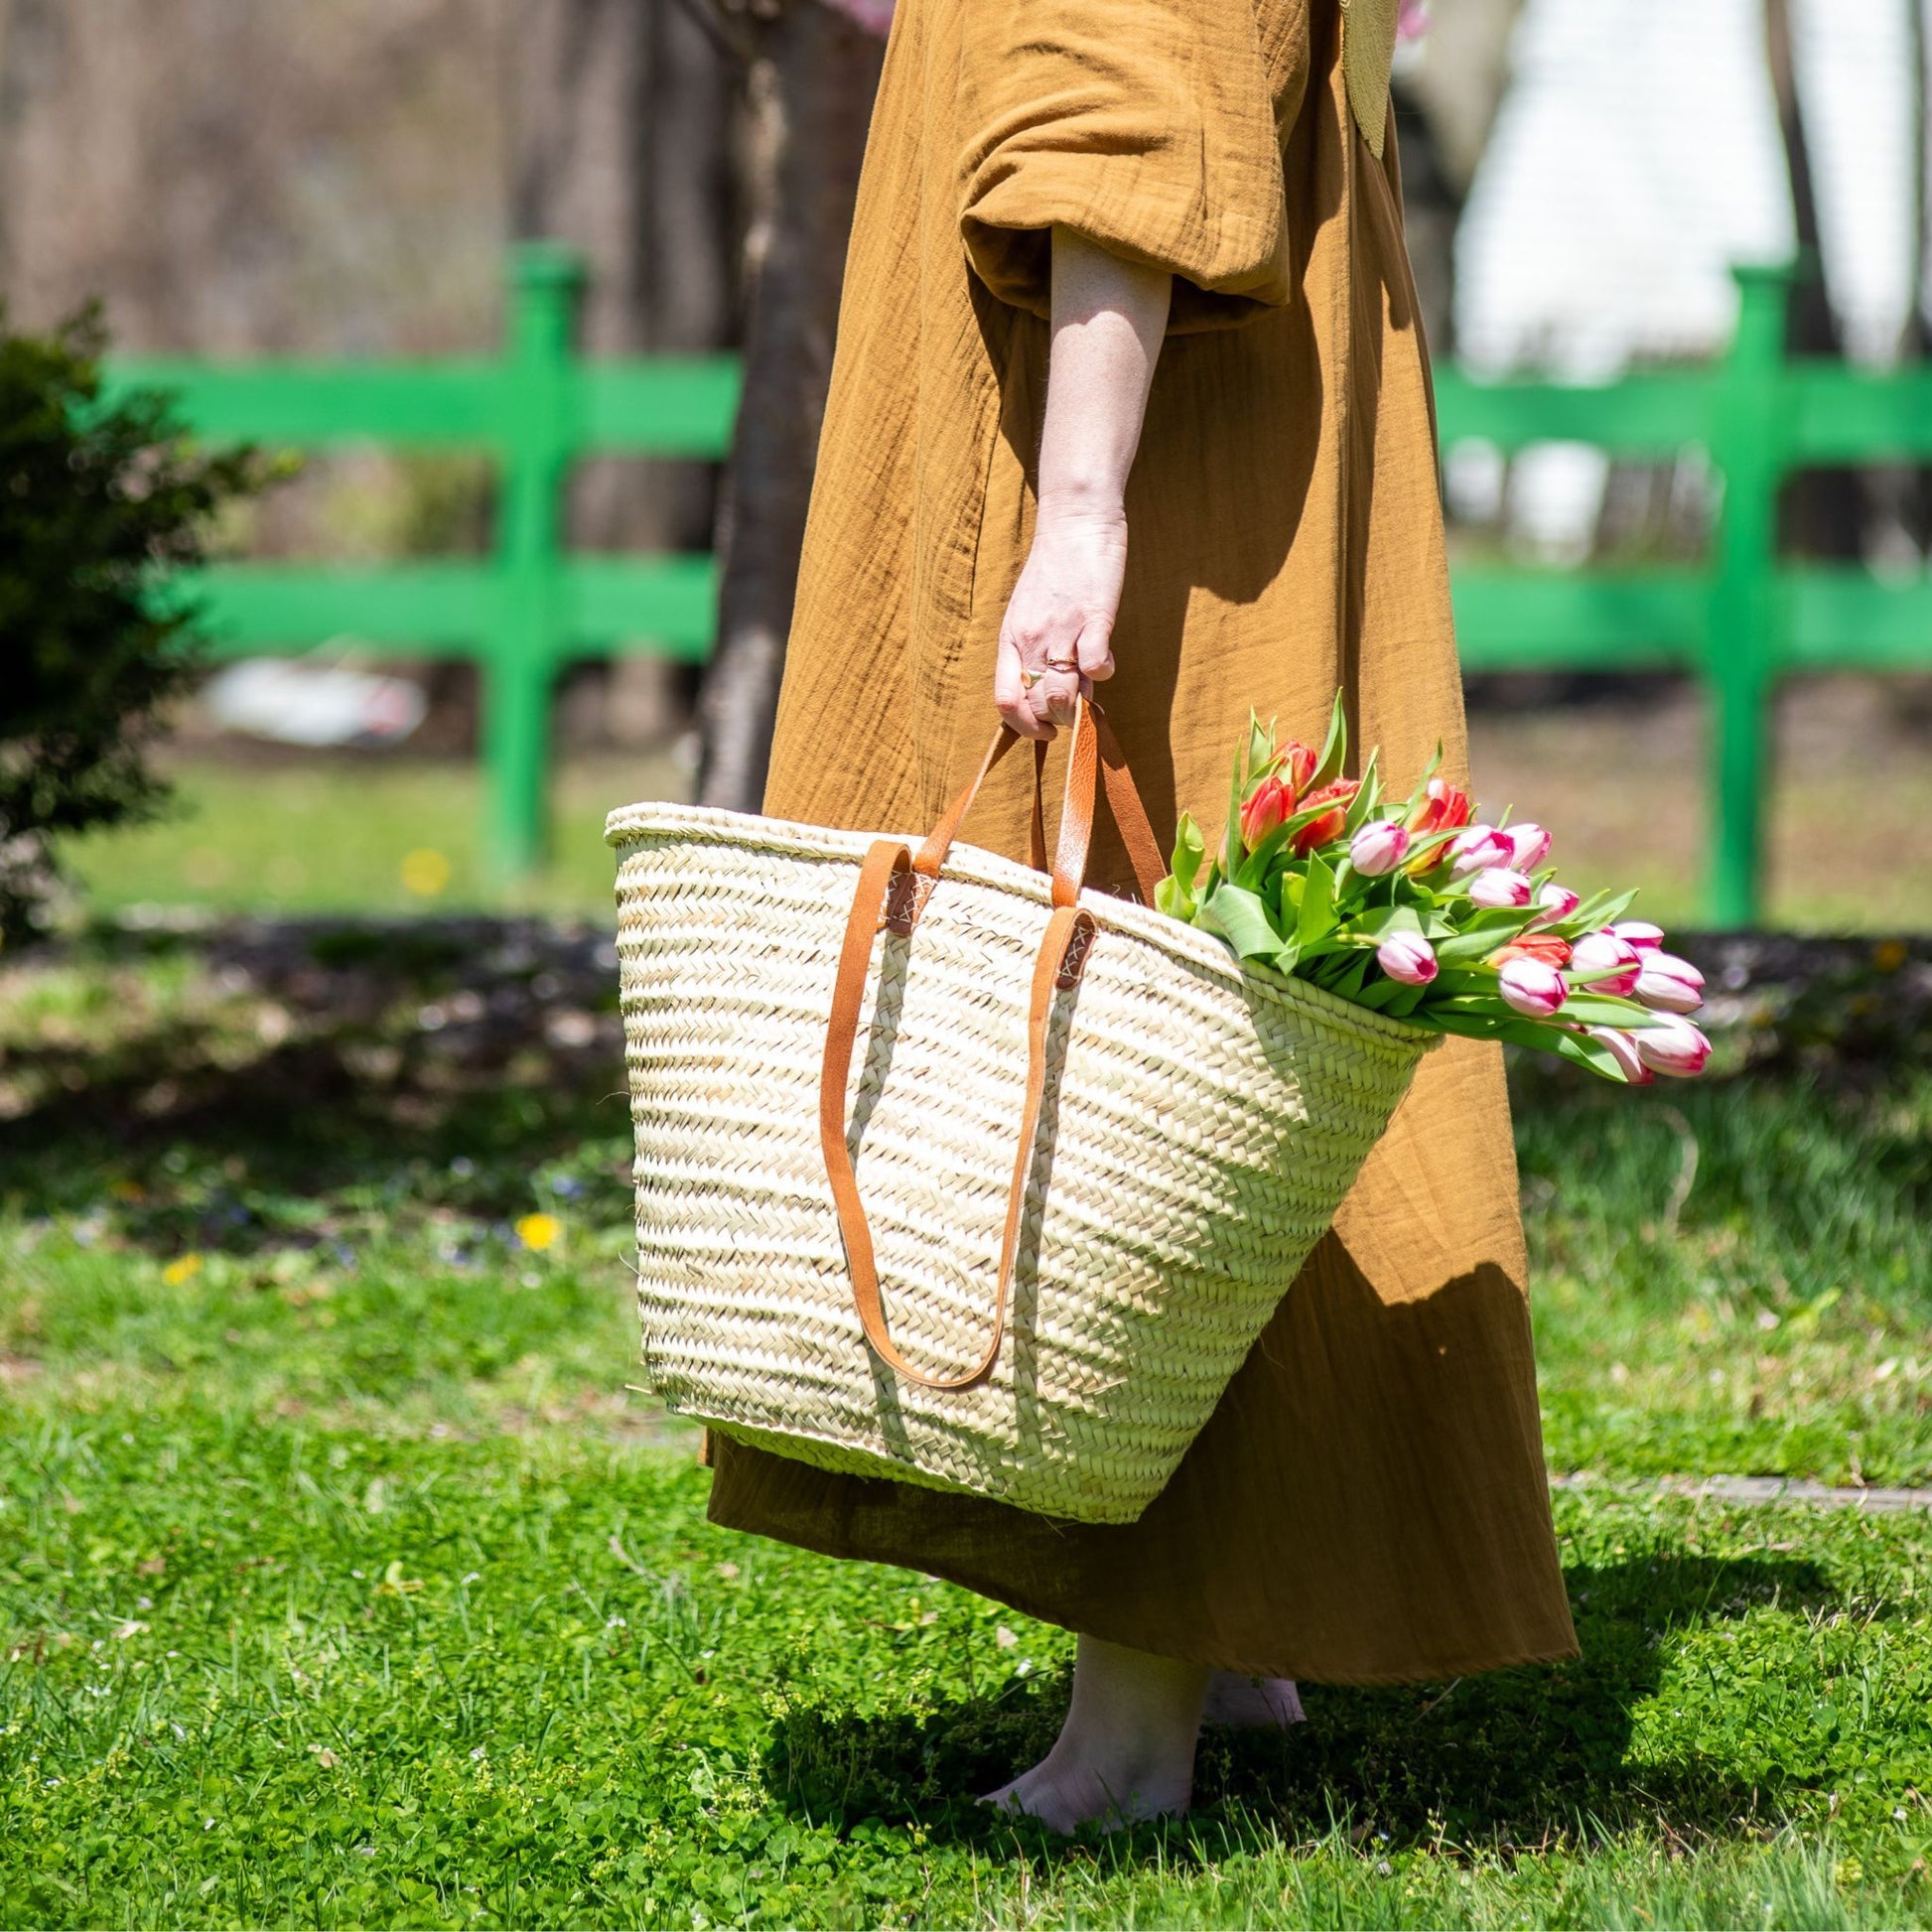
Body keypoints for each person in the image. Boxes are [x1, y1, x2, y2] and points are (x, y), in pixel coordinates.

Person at [705, 0, 1580, 1832]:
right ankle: (1231, 1635)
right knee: (1191, 980)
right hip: (1203, 373)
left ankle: (1132, 1725)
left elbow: (1133, 95)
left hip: (1134, 404)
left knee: (1146, 978)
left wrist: (1084, 497)